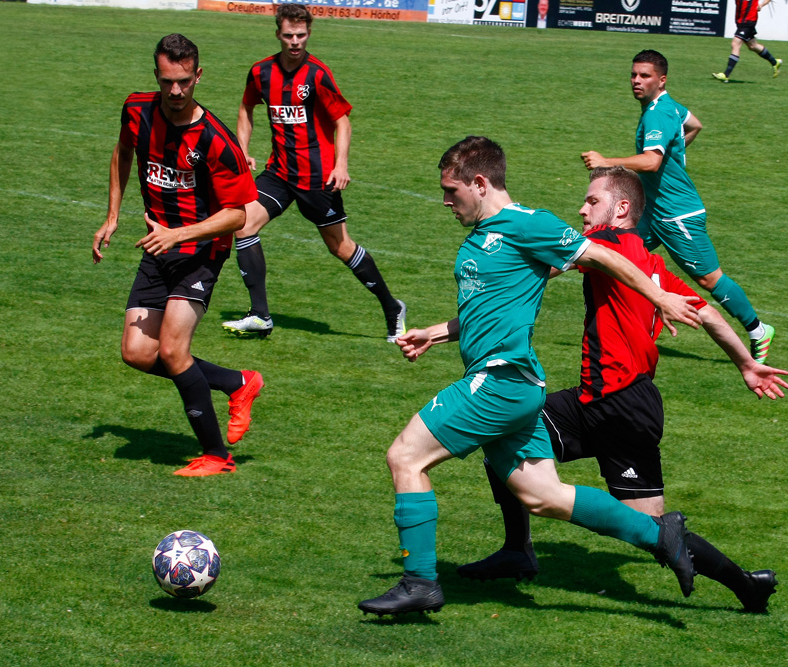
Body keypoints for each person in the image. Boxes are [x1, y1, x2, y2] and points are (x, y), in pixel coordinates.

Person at [358, 136, 706, 617]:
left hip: (501, 382)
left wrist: (661, 297)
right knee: (542, 496)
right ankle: (661, 535)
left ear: (480, 183)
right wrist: (437, 333)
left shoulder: (529, 224)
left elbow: (602, 256)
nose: (444, 201)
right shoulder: (486, 233)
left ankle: (419, 582)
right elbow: (494, 307)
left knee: (405, 457)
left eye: (451, 190)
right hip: (513, 385)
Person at [457, 166, 788, 612]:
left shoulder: (607, 247)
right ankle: (518, 550)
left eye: (592, 201)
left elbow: (531, 273)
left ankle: (745, 583)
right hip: (600, 399)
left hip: (621, 405)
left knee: (653, 531)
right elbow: (707, 314)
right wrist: (745, 363)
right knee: (504, 432)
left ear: (622, 209)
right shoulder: (652, 266)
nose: (582, 208)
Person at [92, 34, 264, 477]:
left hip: (202, 250)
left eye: (184, 82)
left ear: (198, 76)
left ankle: (217, 457)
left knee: (172, 350)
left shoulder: (216, 140)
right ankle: (236, 382)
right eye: (167, 81)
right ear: (156, 76)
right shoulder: (137, 110)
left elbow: (237, 215)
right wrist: (112, 216)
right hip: (159, 243)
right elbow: (122, 152)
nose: (175, 91)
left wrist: (180, 234)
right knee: (135, 351)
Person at [221, 3, 406, 341]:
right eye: (289, 35)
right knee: (243, 223)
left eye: (301, 35)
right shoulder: (261, 72)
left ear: (309, 34)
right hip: (278, 174)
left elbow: (342, 121)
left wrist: (341, 164)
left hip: (317, 178)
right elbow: (246, 107)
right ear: (278, 33)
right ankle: (260, 315)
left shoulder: (317, 74)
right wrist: (242, 150)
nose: (295, 41)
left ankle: (392, 307)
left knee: (340, 247)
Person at [581, 50, 776, 365]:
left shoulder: (657, 113)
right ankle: (617, 326)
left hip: (676, 214)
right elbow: (695, 124)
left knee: (709, 279)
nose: (636, 81)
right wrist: (677, 149)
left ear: (662, 80)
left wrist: (608, 162)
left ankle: (757, 331)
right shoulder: (667, 107)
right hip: (652, 212)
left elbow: (652, 160)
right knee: (610, 253)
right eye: (633, 75)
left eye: (644, 76)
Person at [713, 0, 782, 83]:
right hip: (741, 21)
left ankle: (726, 75)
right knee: (753, 46)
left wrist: (761, 5)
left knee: (735, 44)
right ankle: (775, 62)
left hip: (749, 21)